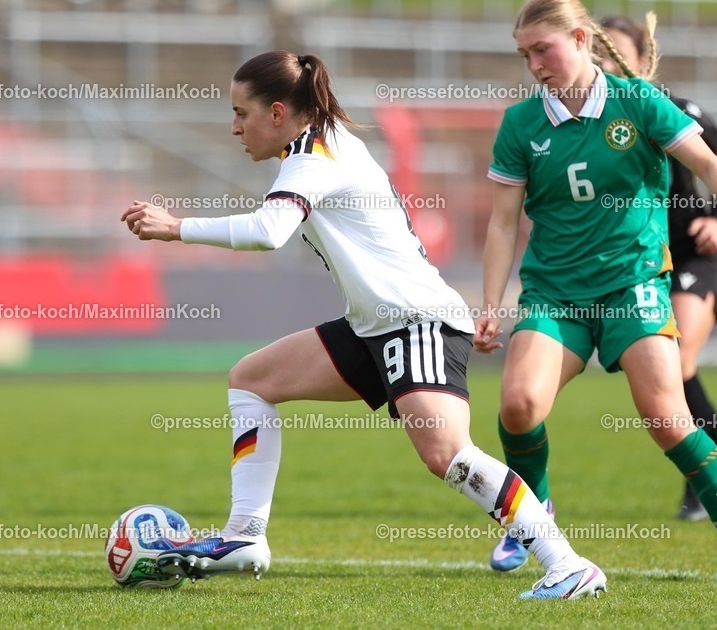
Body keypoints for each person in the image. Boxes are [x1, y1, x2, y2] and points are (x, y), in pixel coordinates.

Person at [120, 51, 608, 600]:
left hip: (414, 321)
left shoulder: (316, 157)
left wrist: (175, 227)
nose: (234, 127)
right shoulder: (316, 148)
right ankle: (244, 535)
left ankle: (568, 565)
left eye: (241, 113)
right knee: (251, 380)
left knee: (447, 455)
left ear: (278, 112)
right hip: (375, 326)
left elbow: (268, 231)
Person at [474, 0, 717, 583]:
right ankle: (533, 520)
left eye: (544, 50)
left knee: (668, 418)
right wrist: (492, 306)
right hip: (555, 292)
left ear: (582, 40)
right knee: (517, 406)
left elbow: (711, 162)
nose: (535, 66)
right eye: (524, 55)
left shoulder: (639, 102)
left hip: (631, 283)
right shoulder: (520, 123)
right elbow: (503, 223)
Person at [596, 15, 717, 522]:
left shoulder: (676, 111)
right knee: (663, 377)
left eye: (617, 53)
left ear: (644, 61)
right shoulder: (591, 126)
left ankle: (711, 466)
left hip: (691, 253)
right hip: (639, 262)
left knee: (678, 354)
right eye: (599, 52)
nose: (606, 63)